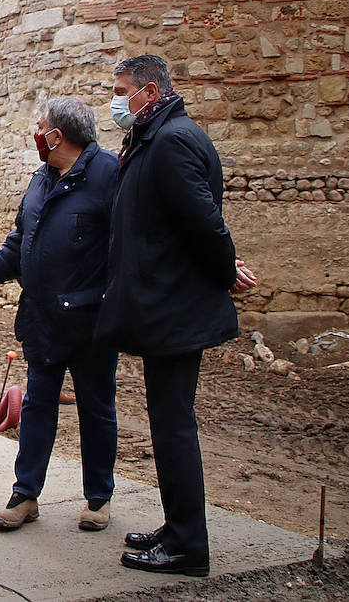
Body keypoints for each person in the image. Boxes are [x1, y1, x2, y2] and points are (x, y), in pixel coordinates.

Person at [97, 54, 257, 578]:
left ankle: (189, 546)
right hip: (163, 305)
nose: (117, 101)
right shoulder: (155, 137)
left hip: (175, 308)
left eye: (122, 91)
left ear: (149, 90)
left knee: (173, 428)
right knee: (169, 423)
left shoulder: (171, 141)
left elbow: (205, 223)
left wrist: (224, 269)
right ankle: (177, 526)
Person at [0, 96, 119, 533]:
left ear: (57, 135)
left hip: (91, 318)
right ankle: (25, 495)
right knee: (36, 406)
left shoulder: (110, 175)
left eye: (40, 126)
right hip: (42, 317)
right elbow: (21, 239)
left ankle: (98, 498)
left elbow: (129, 242)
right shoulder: (41, 178)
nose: (36, 133)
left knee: (96, 408)